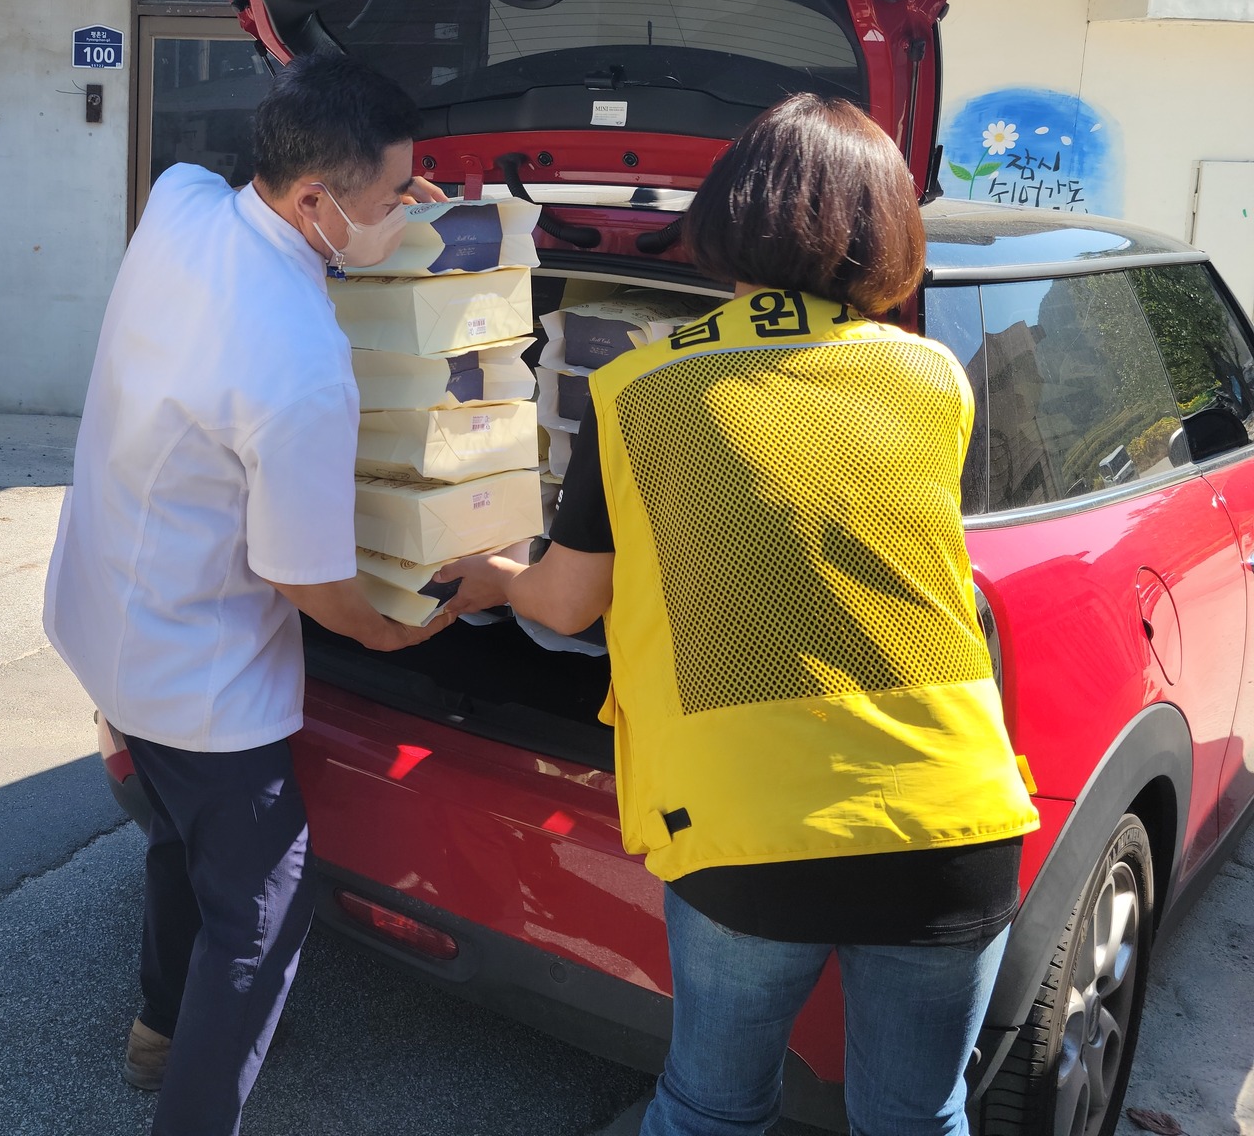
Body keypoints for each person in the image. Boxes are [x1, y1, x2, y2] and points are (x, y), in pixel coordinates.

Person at [436, 94, 1041, 1136]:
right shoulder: (935, 376)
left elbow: (570, 602)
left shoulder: (638, 392)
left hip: (749, 823)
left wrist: (494, 577)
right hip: (955, 819)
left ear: (729, 215)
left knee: (711, 1110)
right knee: (918, 1119)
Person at [45, 51, 454, 1136]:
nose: (405, 215)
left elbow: (240, 192)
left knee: (178, 841)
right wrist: (397, 630)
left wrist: (379, 195)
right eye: (392, 200)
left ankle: (159, 1026)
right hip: (200, 669)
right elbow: (304, 577)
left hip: (104, 611)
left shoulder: (181, 201)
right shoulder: (300, 362)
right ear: (316, 201)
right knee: (261, 910)